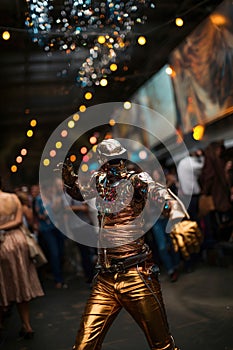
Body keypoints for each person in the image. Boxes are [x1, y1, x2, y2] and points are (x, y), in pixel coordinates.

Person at [57, 138, 192, 350]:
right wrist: (69, 180)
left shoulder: (137, 179)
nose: (116, 165)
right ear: (102, 162)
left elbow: (161, 194)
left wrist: (177, 218)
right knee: (83, 347)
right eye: (111, 160)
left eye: (119, 159)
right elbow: (80, 192)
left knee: (162, 346)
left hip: (137, 274)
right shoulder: (99, 181)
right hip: (105, 279)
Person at [0, 175, 44, 339]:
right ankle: (27, 325)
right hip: (19, 242)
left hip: (2, 244)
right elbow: (19, 220)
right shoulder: (13, 198)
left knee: (3, 283)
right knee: (21, 281)